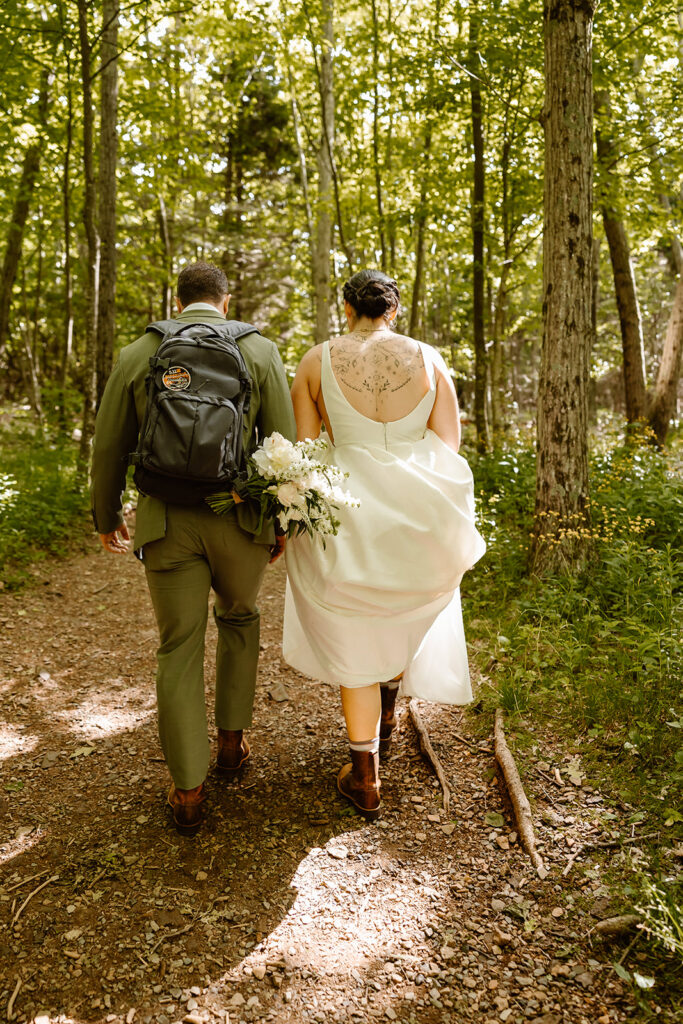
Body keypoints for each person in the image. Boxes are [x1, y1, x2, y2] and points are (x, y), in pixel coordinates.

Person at [91, 261, 296, 835]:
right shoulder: (260, 353)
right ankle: (231, 743)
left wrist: (107, 515)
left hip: (165, 522)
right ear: (226, 302)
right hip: (237, 517)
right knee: (240, 618)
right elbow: (284, 445)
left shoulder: (141, 352)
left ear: (177, 302)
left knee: (177, 646)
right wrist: (277, 523)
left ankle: (188, 789)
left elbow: (109, 445)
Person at [283, 269, 485, 819]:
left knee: (354, 631)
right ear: (393, 310)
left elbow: (304, 449)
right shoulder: (430, 358)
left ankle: (366, 777)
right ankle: (389, 714)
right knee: (403, 608)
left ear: (347, 308)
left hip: (347, 510)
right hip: (418, 510)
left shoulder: (314, 361)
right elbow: (448, 442)